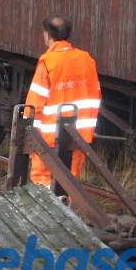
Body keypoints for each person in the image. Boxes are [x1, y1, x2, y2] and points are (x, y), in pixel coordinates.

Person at [24, 16, 101, 188]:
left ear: (47, 35)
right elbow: (95, 96)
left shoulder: (48, 62)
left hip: (49, 139)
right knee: (69, 186)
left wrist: (28, 134)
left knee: (42, 183)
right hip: (79, 137)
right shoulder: (87, 60)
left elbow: (34, 104)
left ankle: (46, 215)